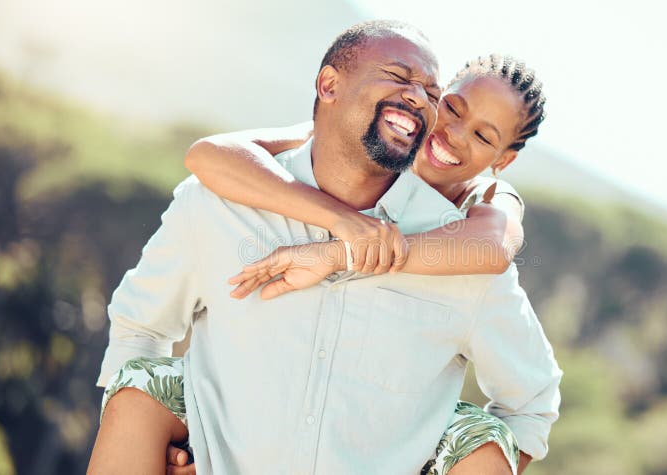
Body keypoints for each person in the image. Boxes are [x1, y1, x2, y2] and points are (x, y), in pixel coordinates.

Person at [88, 20, 561, 475]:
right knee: (141, 383)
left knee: (475, 431)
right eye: (449, 106)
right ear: (329, 85)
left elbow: (530, 397)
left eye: (481, 134)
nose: (444, 126)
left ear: (503, 159)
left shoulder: (471, 240)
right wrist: (154, 442)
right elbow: (140, 326)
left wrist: (342, 252)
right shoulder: (230, 193)